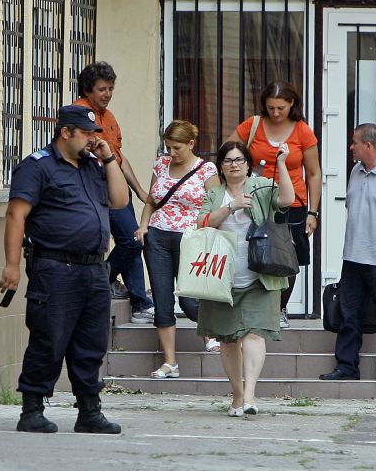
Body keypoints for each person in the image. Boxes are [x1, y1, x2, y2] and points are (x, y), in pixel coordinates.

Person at [0, 104, 128, 434]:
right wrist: (12, 265)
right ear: (65, 132)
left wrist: (109, 157)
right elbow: (16, 216)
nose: (90, 139)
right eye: (85, 133)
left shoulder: (92, 165)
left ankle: (89, 411)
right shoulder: (38, 166)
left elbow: (120, 201)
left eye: (94, 134)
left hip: (94, 269)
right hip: (55, 267)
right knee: (49, 339)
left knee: (91, 343)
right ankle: (32, 410)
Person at [196, 141, 295, 417]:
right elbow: (201, 223)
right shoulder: (214, 194)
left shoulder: (261, 186)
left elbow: (287, 199)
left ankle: (250, 395)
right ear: (221, 167)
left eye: (239, 160)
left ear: (248, 164)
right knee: (228, 339)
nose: (234, 165)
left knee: (254, 333)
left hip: (259, 275)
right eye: (228, 161)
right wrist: (231, 207)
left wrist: (283, 163)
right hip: (222, 276)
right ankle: (237, 395)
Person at [319, 124, 376, 383]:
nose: (351, 147)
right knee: (349, 314)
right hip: (353, 257)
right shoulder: (356, 172)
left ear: (368, 146)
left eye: (354, 142)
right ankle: (347, 366)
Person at [227, 80, 321, 328]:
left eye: (281, 108)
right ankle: (255, 305)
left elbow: (313, 173)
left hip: (293, 202)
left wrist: (313, 211)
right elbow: (229, 151)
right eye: (271, 108)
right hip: (256, 199)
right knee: (256, 250)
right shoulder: (253, 124)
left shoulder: (302, 131)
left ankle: (280, 307)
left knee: (288, 255)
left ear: (292, 104)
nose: (276, 113)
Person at [136, 121, 221, 379]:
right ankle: (170, 362)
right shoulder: (161, 165)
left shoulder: (206, 169)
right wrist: (143, 226)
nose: (171, 153)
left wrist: (210, 235)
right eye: (168, 147)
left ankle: (210, 333)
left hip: (190, 239)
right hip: (158, 237)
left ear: (191, 144)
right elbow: (152, 200)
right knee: (162, 300)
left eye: (177, 147)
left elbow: (215, 206)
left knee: (189, 298)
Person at [74, 61, 155, 324]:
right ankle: (105, 279)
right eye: (102, 89)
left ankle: (139, 301)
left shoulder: (108, 116)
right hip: (96, 184)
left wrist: (141, 190)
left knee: (133, 239)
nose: (107, 94)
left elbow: (119, 157)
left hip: (116, 180)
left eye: (110, 88)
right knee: (131, 241)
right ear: (88, 90)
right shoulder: (78, 113)